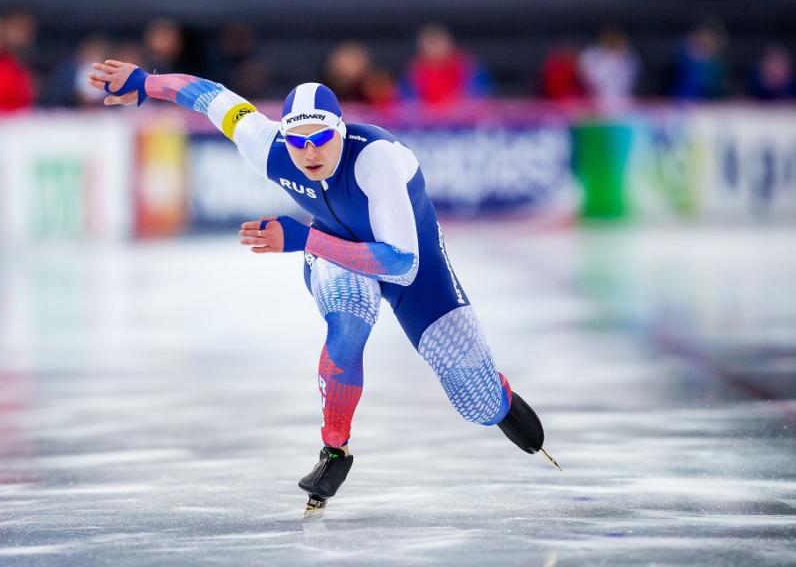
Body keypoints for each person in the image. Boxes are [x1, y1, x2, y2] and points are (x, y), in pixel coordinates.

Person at [87, 59, 557, 517]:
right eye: (297, 141)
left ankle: (497, 396)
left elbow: (402, 263)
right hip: (336, 251)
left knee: (477, 405)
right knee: (348, 326)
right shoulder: (265, 143)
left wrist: (302, 238)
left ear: (340, 129)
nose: (309, 152)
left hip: (409, 257)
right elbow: (205, 95)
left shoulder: (377, 161)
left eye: (321, 139)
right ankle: (335, 449)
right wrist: (146, 83)